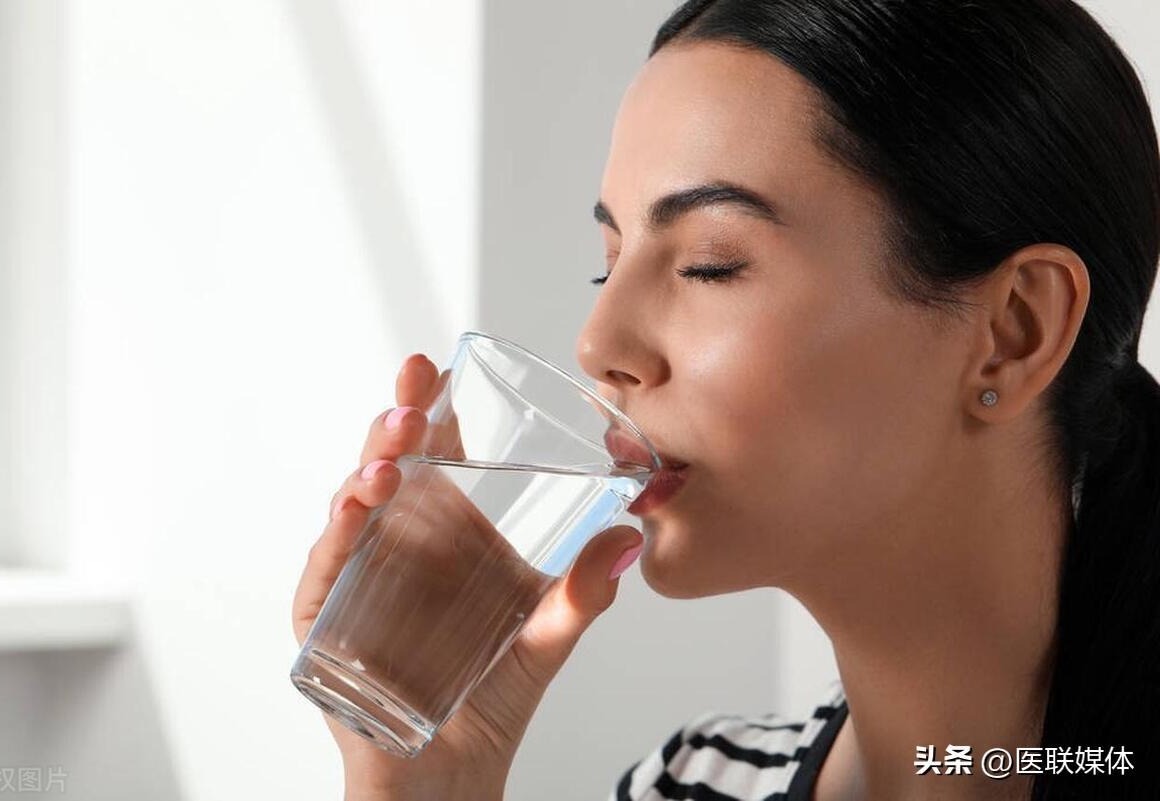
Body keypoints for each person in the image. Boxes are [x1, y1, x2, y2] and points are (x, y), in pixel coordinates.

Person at [291, 1, 1160, 798]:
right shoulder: (691, 784)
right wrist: (429, 781)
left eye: (711, 264)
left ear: (1013, 329)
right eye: (608, 263)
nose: (597, 344)